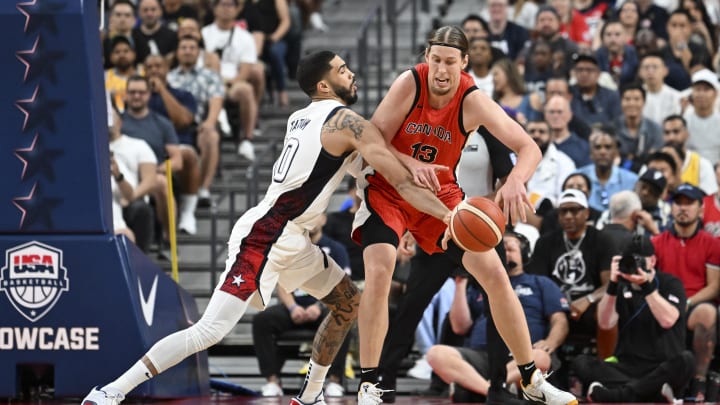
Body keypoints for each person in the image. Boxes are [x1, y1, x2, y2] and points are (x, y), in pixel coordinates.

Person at [81, 50, 453, 405]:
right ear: (324, 86)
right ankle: (112, 391)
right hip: (267, 234)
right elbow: (394, 178)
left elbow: (367, 163)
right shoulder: (347, 122)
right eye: (342, 70)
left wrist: (410, 167)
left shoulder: (302, 117)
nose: (351, 73)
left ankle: (309, 395)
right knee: (210, 330)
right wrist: (448, 215)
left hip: (291, 236)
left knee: (346, 302)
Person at [352, 26, 578, 405]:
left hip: (439, 195)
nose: (441, 69)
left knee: (495, 274)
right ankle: (370, 383)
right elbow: (372, 142)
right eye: (435, 60)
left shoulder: (472, 100)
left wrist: (514, 181)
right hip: (388, 187)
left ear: (465, 63)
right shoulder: (410, 83)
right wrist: (409, 164)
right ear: (427, 57)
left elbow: (529, 147)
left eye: (450, 62)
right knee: (380, 269)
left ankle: (529, 377)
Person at [427, 231, 570, 401]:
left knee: (540, 358)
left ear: (524, 255)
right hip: (482, 355)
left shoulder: (540, 283)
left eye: (510, 248)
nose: (503, 252)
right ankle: (493, 390)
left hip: (523, 354)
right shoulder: (479, 286)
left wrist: (550, 342)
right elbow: (459, 327)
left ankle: (481, 387)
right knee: (436, 354)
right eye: (499, 249)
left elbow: (559, 319)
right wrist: (460, 284)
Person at [574, 235, 695, 403]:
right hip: (626, 366)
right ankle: (652, 392)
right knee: (581, 363)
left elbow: (668, 320)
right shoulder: (621, 286)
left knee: (686, 361)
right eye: (629, 260)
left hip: (661, 366)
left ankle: (620, 394)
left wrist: (647, 286)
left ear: (652, 261)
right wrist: (612, 284)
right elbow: (605, 323)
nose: (633, 265)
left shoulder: (670, 283)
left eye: (638, 260)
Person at [253, 214, 351, 397]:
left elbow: (341, 285)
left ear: (324, 220)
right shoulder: (290, 250)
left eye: (316, 215)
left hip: (325, 308)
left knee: (343, 318)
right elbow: (281, 283)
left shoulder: (337, 249)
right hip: (294, 308)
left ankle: (335, 381)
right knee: (261, 320)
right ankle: (272, 381)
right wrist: (292, 308)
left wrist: (319, 306)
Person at [652, 183, 720, 401]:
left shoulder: (712, 243)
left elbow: (714, 286)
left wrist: (687, 302)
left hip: (694, 304)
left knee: (707, 313)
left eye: (689, 203)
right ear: (671, 209)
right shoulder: (656, 242)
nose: (682, 208)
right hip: (663, 304)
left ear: (701, 209)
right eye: (678, 203)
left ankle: (699, 380)